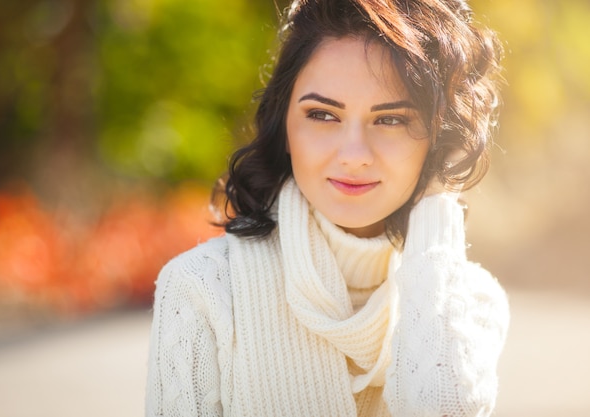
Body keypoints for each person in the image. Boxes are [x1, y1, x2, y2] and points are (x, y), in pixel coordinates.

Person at [145, 0, 510, 416]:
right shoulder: (203, 289)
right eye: (322, 114)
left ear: (439, 138)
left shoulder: (470, 302)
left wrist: (436, 201)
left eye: (390, 119)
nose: (354, 154)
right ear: (283, 125)